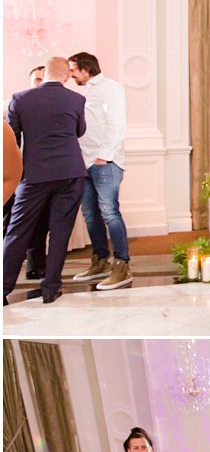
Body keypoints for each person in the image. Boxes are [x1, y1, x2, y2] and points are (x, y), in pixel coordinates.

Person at [2, 57, 86, 306]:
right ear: (67, 76)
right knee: (60, 232)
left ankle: (3, 287)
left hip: (34, 175)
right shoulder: (76, 99)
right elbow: (79, 131)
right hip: (70, 172)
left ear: (44, 74)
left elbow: (12, 138)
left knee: (17, 232)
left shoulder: (20, 99)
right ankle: (51, 288)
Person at [66, 52, 131, 291]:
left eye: (73, 69)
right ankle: (100, 261)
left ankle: (122, 265)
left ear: (86, 68)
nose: (70, 74)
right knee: (90, 215)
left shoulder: (110, 88)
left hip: (105, 161)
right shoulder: (80, 93)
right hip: (82, 162)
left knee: (109, 212)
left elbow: (116, 123)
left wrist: (104, 155)